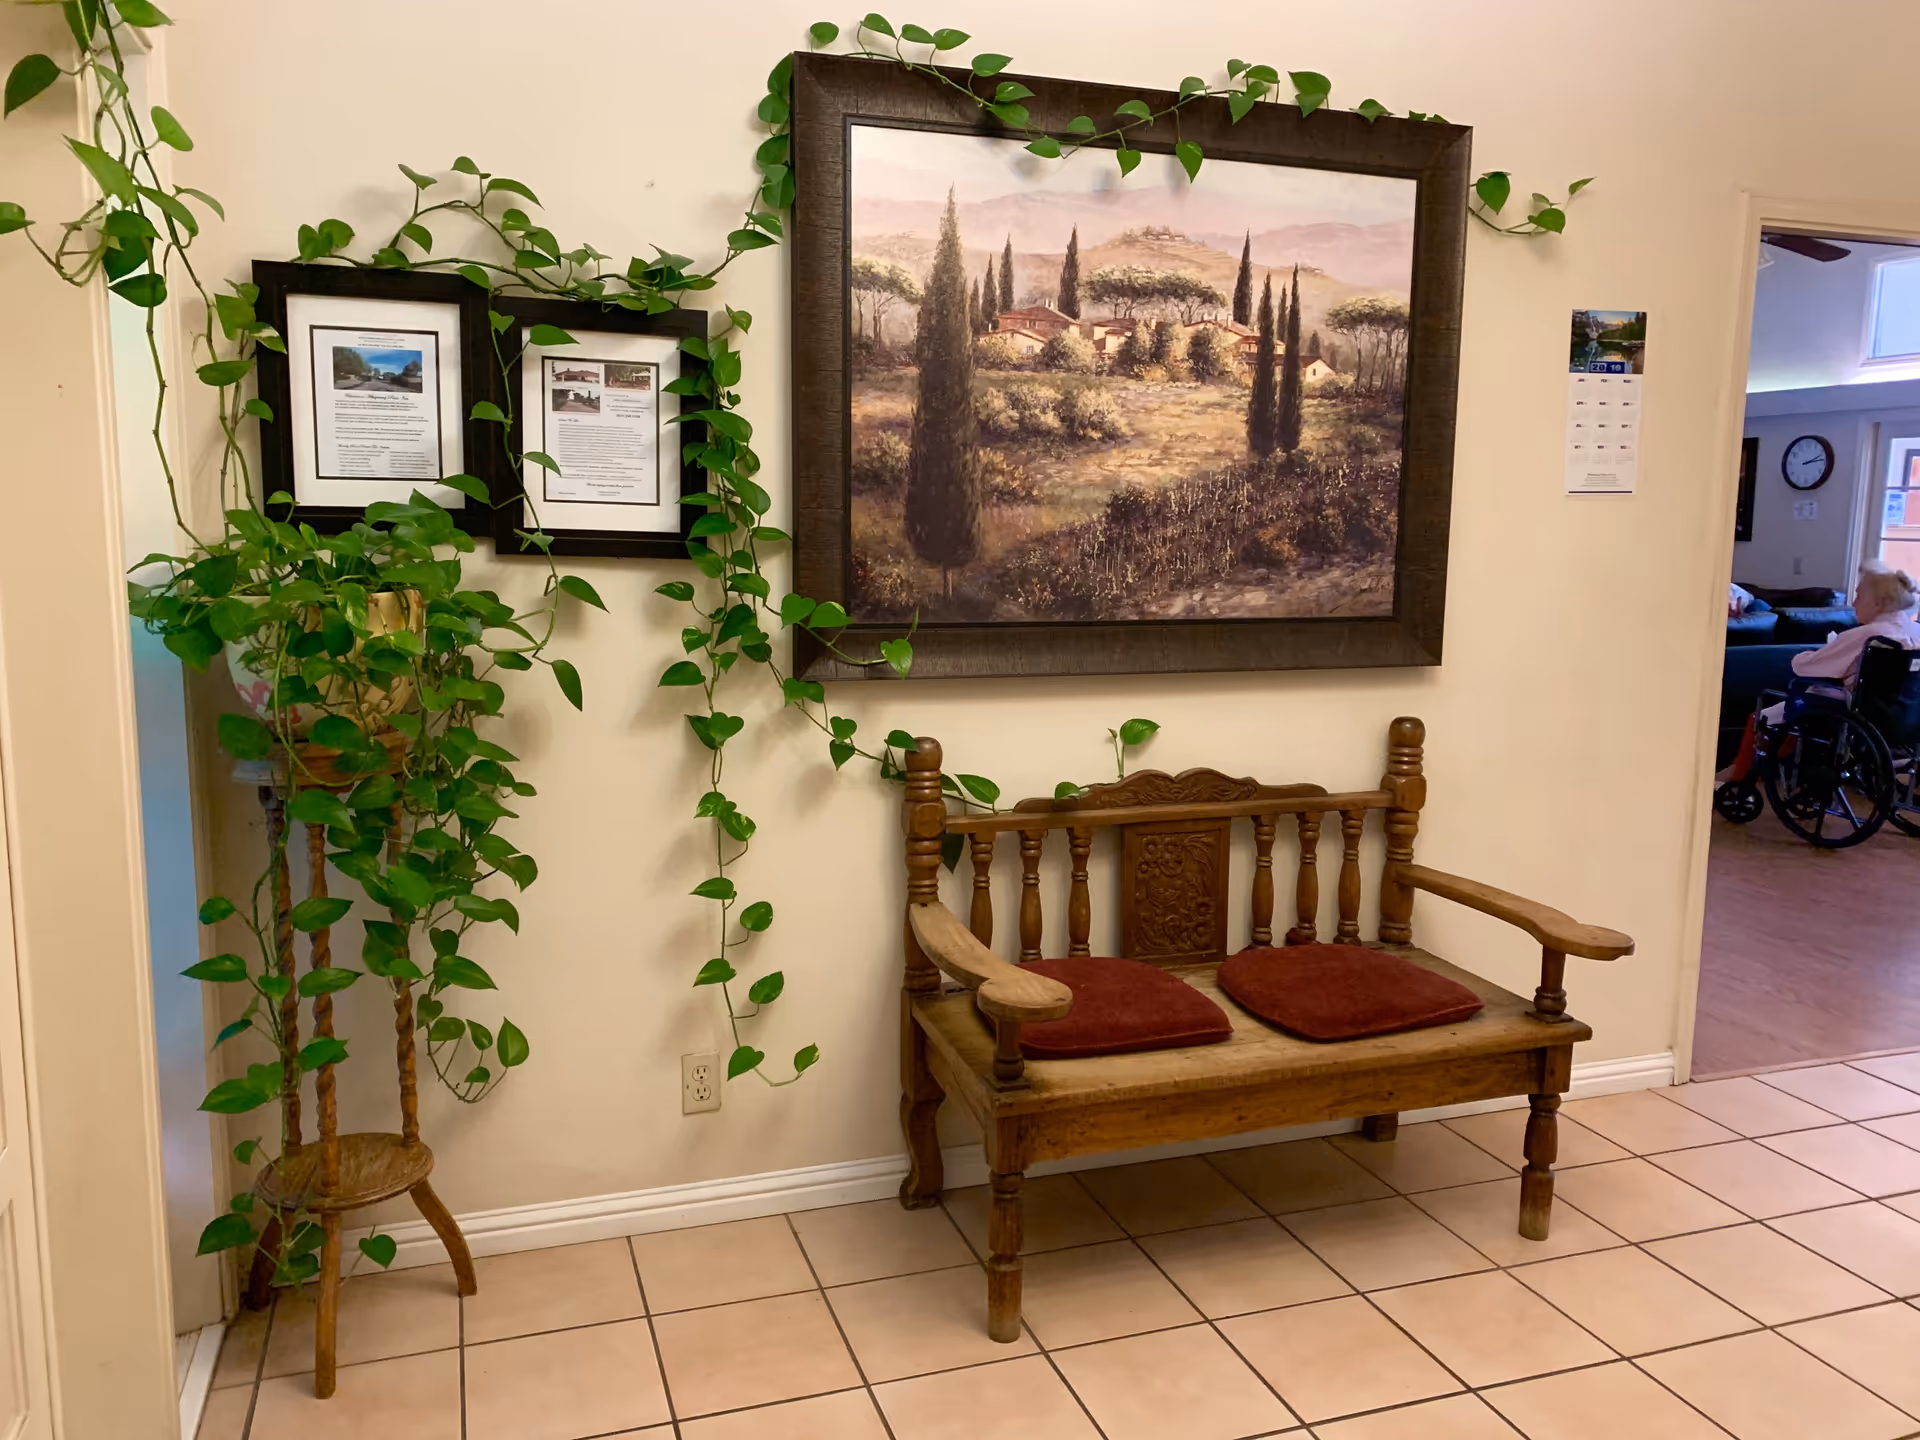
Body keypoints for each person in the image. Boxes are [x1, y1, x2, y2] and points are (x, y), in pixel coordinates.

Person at [1718, 562, 1920, 782]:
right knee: (1796, 711)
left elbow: (1806, 667)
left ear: (1878, 603)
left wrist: (1806, 654)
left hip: (1853, 713)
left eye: (1858, 596)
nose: (1853, 604)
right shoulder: (1914, 632)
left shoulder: (1868, 634)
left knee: (1764, 715)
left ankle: (1739, 774)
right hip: (1904, 719)